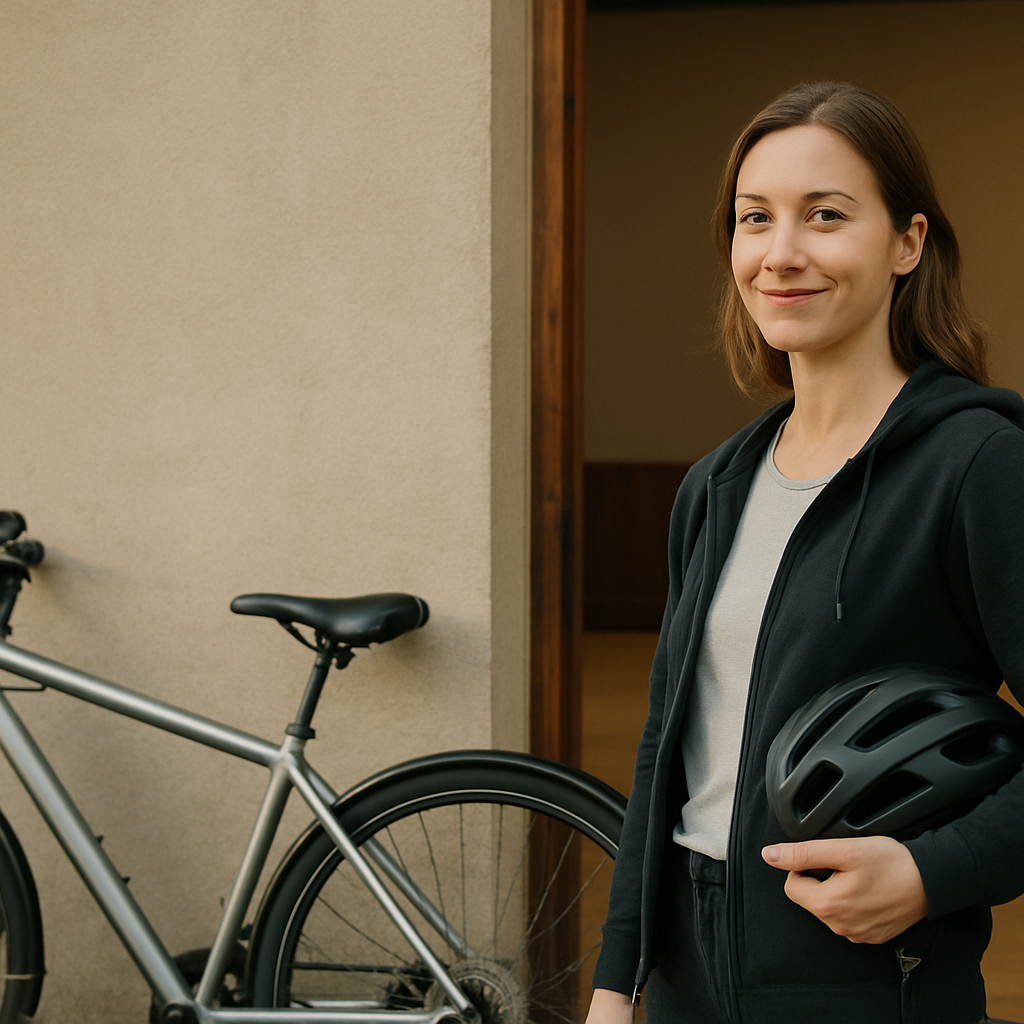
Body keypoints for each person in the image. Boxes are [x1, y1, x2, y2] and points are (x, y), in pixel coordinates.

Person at [585, 81, 1024, 1024]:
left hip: (870, 980)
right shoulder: (716, 484)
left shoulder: (979, 465)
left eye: (826, 216)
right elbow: (667, 749)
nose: (781, 253)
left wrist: (930, 871)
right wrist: (616, 984)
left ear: (907, 242)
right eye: (755, 219)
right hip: (684, 984)